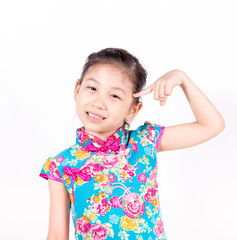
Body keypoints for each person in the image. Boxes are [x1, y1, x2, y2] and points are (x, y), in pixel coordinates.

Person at [39, 48, 225, 240]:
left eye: (114, 96)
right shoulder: (61, 165)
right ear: (78, 91)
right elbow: (56, 235)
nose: (98, 102)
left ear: (133, 110)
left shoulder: (144, 142)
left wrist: (182, 78)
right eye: (92, 88)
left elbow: (211, 125)